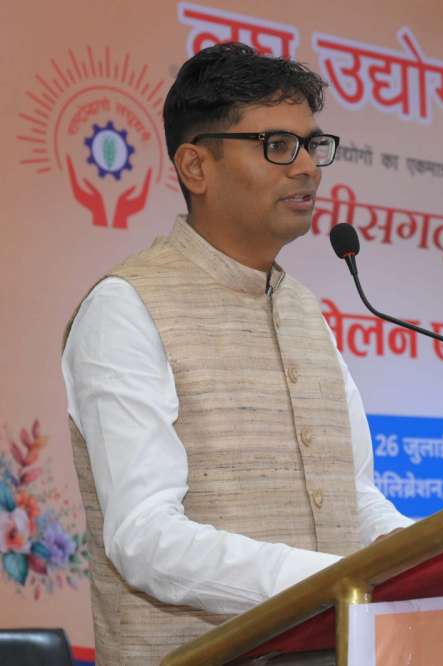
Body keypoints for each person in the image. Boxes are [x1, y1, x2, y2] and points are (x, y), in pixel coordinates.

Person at [61, 42, 412, 665]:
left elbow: (353, 499)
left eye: (312, 145)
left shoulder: (306, 311)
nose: (307, 169)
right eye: (277, 145)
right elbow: (144, 535)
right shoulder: (127, 306)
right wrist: (333, 580)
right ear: (196, 166)